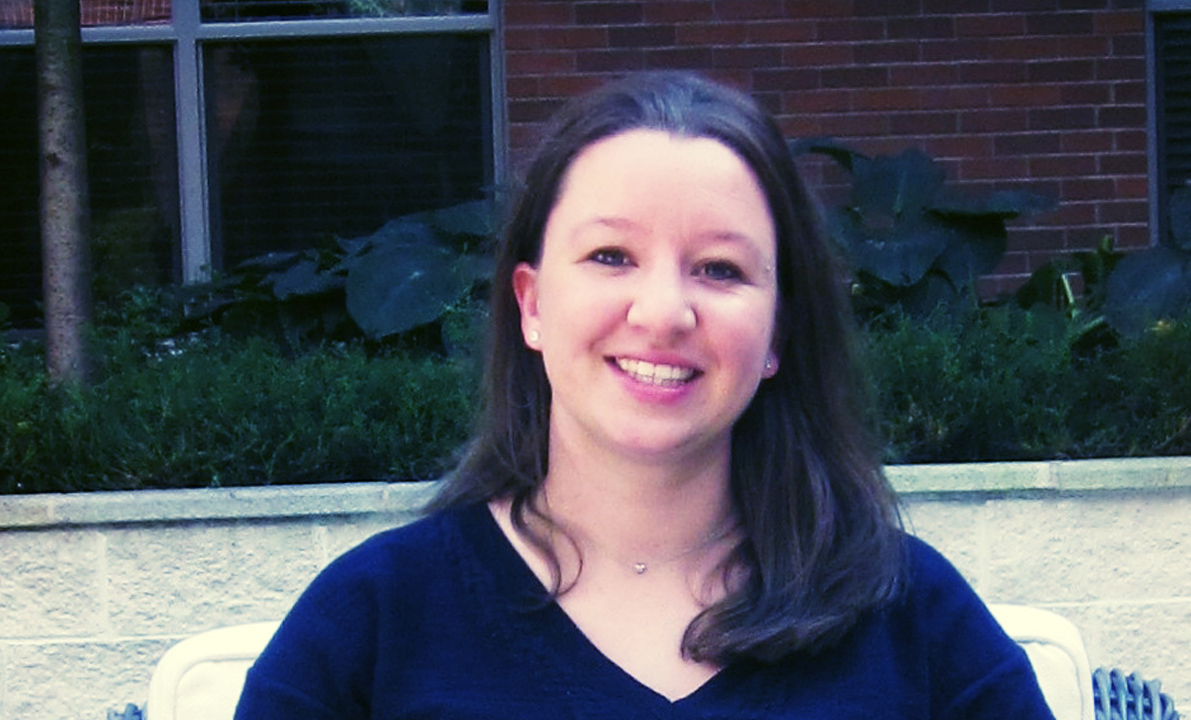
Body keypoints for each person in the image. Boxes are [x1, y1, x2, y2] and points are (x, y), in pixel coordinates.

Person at [235, 71, 1055, 719]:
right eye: (610, 257)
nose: (663, 312)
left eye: (721, 269)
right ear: (531, 304)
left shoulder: (913, 621)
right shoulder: (372, 625)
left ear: (778, 334)